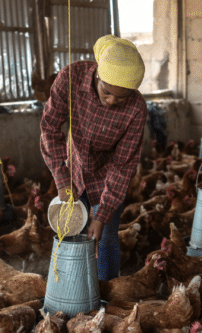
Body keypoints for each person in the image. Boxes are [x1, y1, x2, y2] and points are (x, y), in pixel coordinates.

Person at [40, 34, 147, 281]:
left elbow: (123, 166)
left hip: (107, 176)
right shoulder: (70, 78)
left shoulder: (136, 110)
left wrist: (102, 215)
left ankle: (106, 298)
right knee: (70, 232)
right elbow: (50, 128)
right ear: (98, 75)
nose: (112, 101)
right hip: (74, 168)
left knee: (105, 236)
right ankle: (71, 289)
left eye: (122, 98)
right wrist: (61, 178)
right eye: (107, 92)